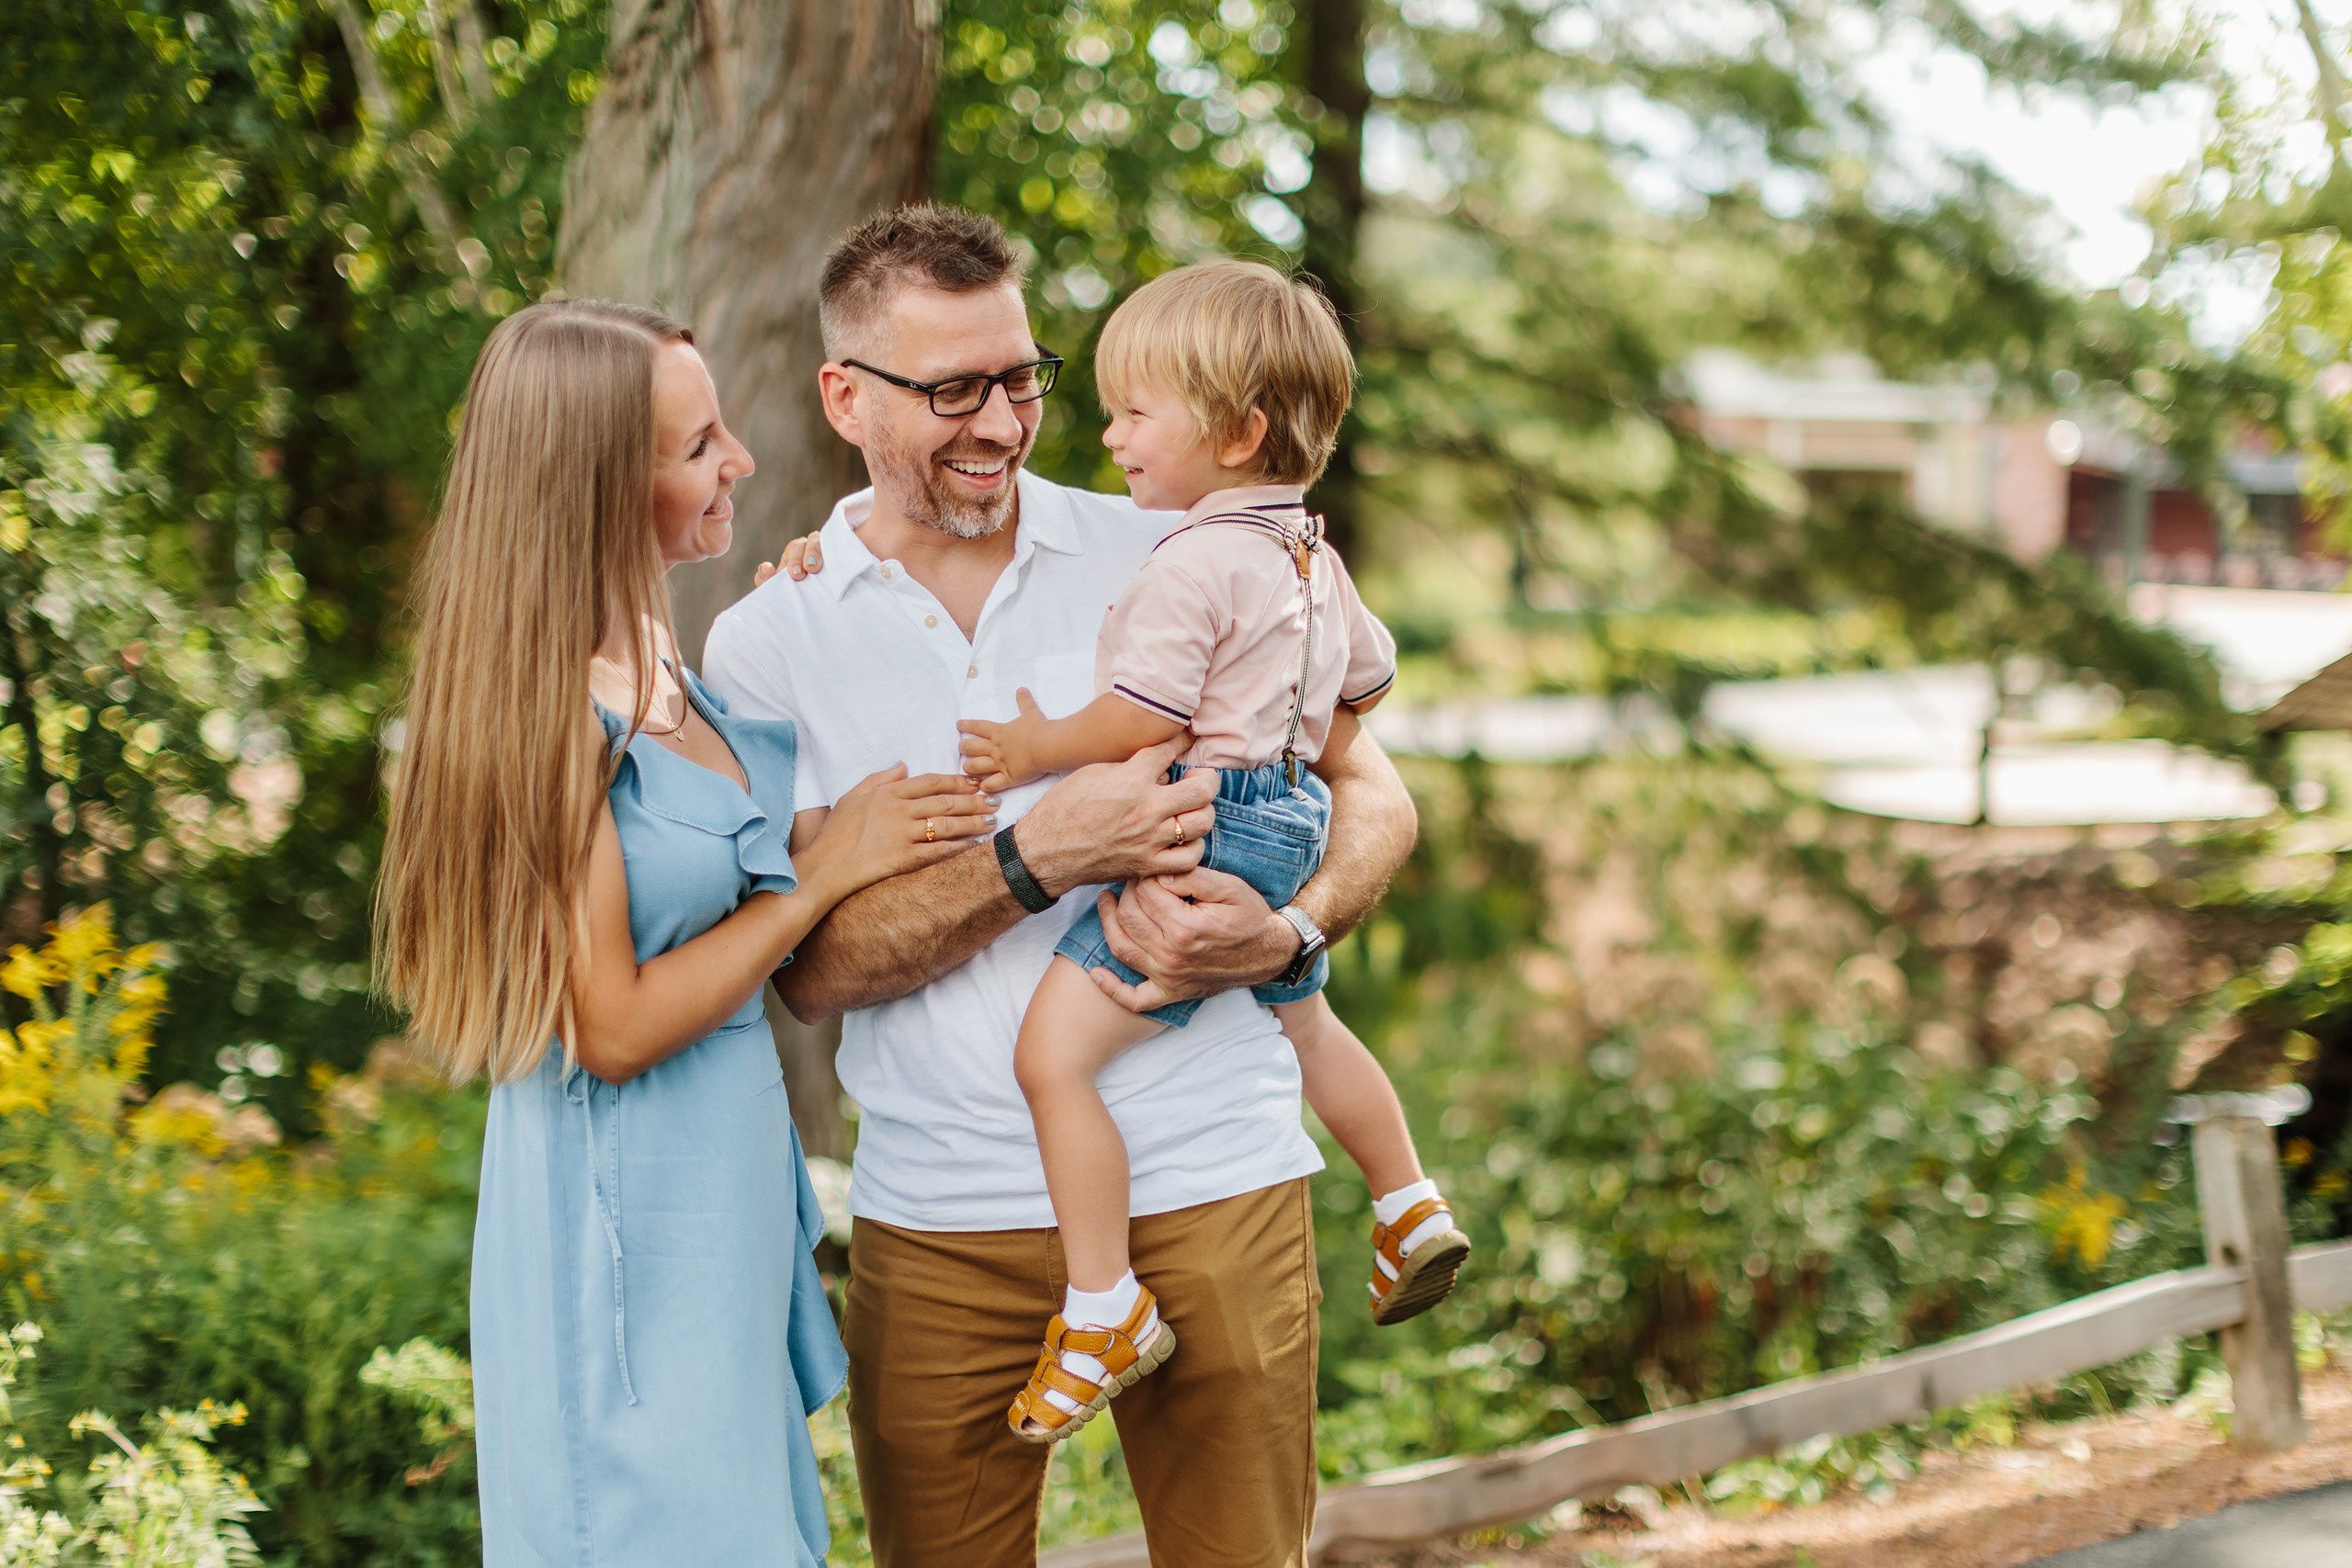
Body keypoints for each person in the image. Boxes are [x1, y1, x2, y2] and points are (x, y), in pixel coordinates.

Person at [703, 205, 1419, 1568]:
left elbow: (1374, 792)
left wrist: (1290, 932)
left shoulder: (1172, 536)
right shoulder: (769, 642)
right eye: (953, 389)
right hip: (940, 1216)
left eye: (1022, 378)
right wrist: (1043, 857)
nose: (1004, 421)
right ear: (845, 398)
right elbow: (808, 972)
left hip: (1215, 1174)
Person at [373, 299, 993, 1567]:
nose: (741, 462)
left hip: (716, 1216)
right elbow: (607, 1026)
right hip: (625, 1232)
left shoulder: (661, 652)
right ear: (604, 489)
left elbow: (722, 865)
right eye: (699, 443)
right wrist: (820, 888)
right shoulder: (548, 714)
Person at [955, 260, 1467, 1447]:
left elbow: (1141, 718)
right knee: (1305, 1018)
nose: (1110, 432)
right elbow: (1362, 696)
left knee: (1052, 1061)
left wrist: (1034, 745)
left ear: (1237, 434)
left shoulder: (1190, 558)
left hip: (1212, 819)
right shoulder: (1311, 557)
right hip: (1288, 821)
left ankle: (1102, 1306)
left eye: (1138, 413)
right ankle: (1405, 1198)